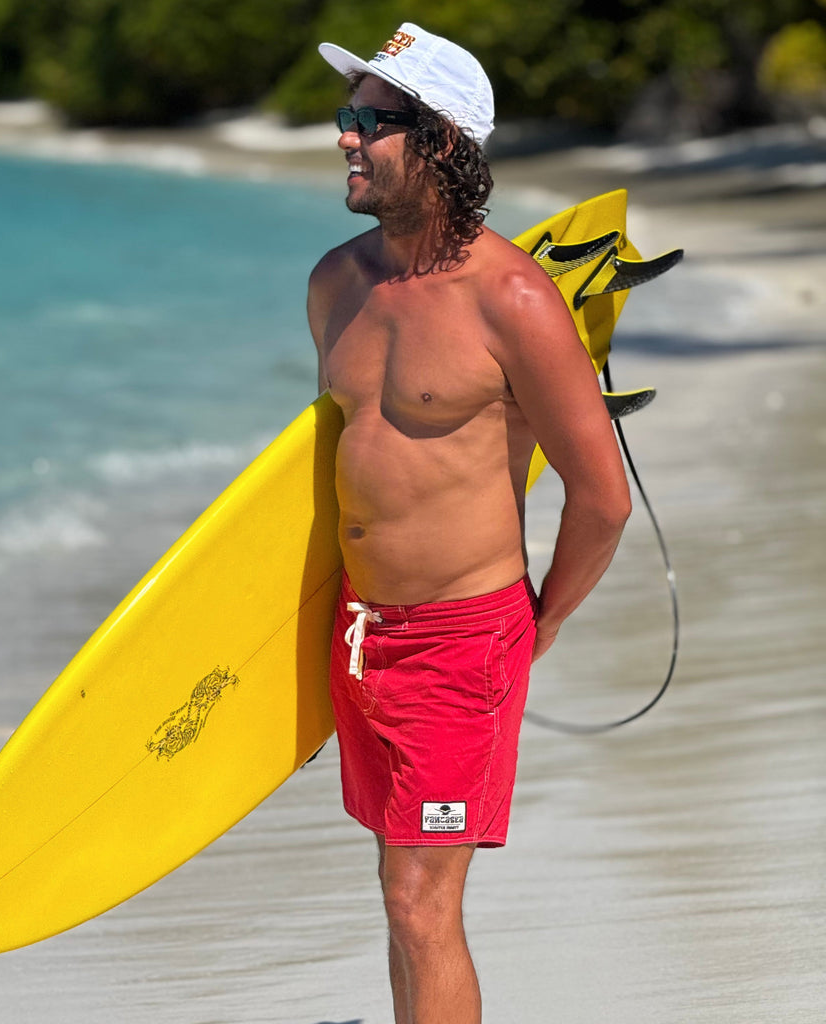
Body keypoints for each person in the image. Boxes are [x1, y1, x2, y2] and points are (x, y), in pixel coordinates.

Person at [306, 23, 632, 1024]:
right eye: (347, 115)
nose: (347, 137)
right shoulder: (335, 284)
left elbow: (602, 495)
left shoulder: (513, 300)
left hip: (462, 642)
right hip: (362, 633)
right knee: (400, 889)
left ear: (441, 141)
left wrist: (541, 623)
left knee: (420, 900)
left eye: (373, 122)